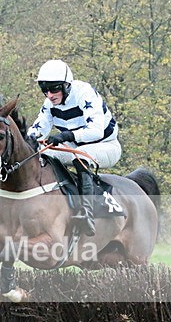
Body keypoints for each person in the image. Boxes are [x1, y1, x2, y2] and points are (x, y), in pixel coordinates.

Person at [26, 60, 121, 236]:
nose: (49, 95)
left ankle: (87, 212)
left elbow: (96, 130)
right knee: (43, 154)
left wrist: (66, 136)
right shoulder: (50, 104)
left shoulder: (84, 93)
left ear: (67, 85)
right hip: (75, 146)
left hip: (105, 145)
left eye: (54, 89)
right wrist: (23, 142)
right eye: (45, 90)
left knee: (81, 157)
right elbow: (38, 130)